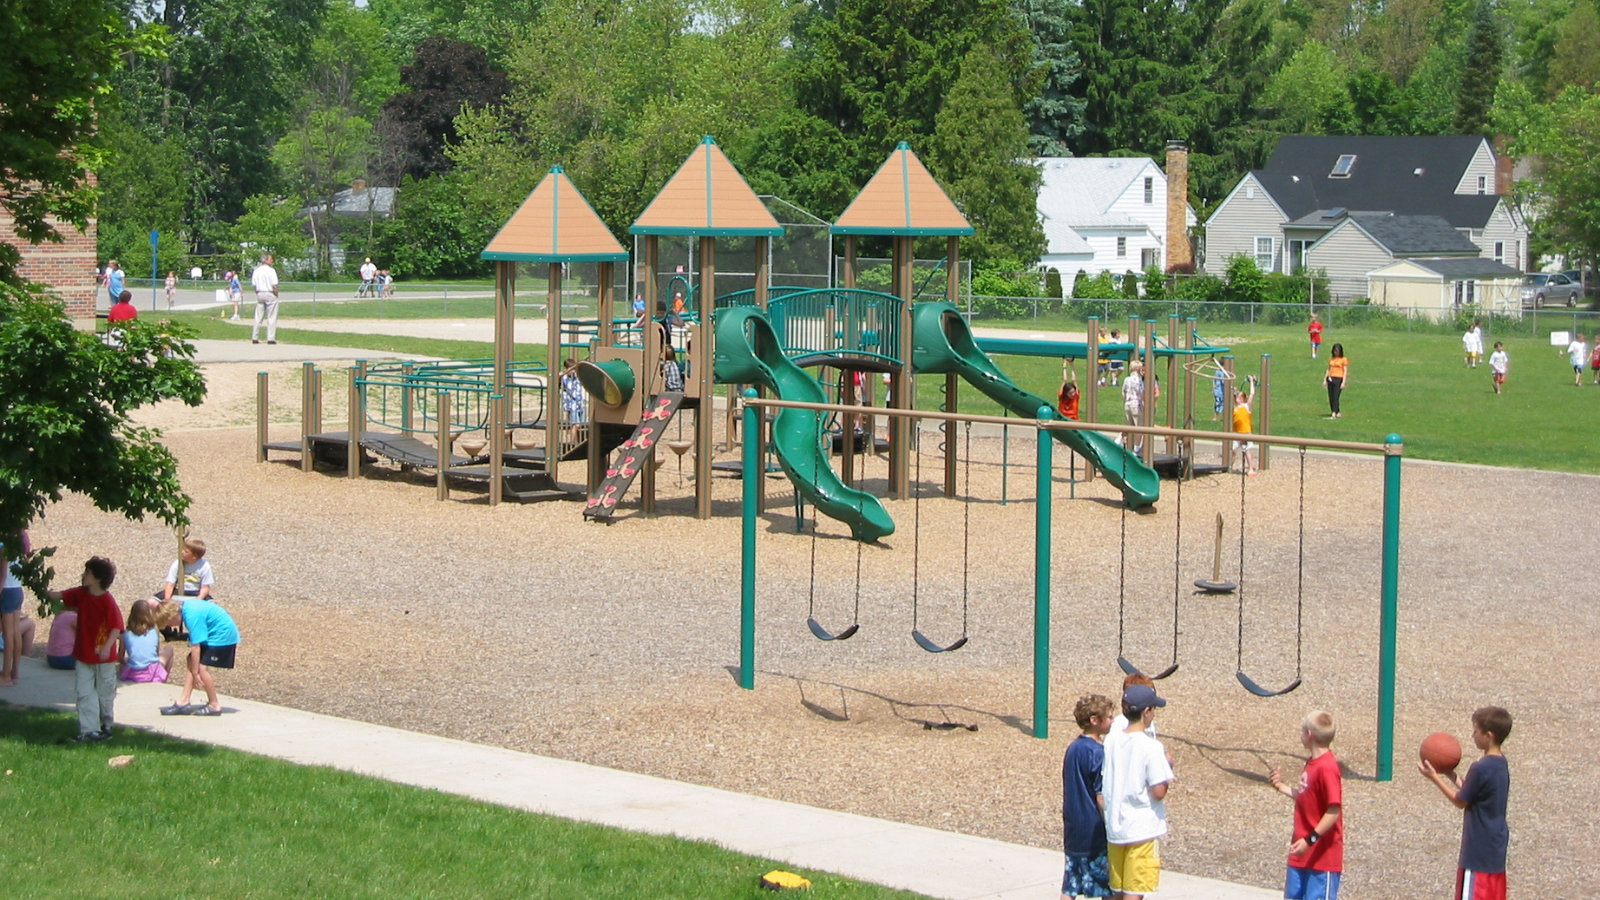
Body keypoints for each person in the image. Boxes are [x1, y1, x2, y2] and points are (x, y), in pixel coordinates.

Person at [1419, 706, 1512, 900]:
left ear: (1489, 735)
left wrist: (1434, 777)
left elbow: (1460, 800)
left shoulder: (1480, 767)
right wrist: (1450, 774)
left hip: (1477, 850)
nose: (1473, 736)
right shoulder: (1500, 763)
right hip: (1495, 846)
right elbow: (1473, 791)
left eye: (1476, 731)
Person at [1101, 684, 1174, 900]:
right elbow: (1159, 791)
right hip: (1141, 829)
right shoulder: (1151, 747)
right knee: (1135, 890)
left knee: (1118, 890)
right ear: (1146, 712)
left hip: (1115, 826)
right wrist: (1168, 767)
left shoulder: (1112, 740)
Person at [1269, 711, 1344, 900]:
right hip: (1300, 853)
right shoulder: (1312, 763)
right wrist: (1281, 786)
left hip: (1321, 857)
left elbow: (1333, 811)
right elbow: (1306, 797)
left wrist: (1309, 840)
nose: (1300, 734)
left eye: (1302, 730)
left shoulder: (1327, 768)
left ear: (1309, 735)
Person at [47, 557, 122, 742]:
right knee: (84, 691)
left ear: (98, 578)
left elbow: (116, 627)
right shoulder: (81, 593)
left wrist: (106, 647)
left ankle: (106, 725)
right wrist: (40, 588)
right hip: (83, 654)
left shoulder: (107, 601)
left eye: (88, 572)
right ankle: (90, 729)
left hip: (104, 657)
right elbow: (60, 595)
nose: (84, 575)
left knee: (105, 692)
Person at [1062, 693, 1115, 900]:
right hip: (1093, 829)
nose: (1112, 721)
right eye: (1109, 717)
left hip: (1073, 827)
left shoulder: (1073, 749)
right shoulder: (1098, 753)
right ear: (1095, 720)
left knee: (1071, 884)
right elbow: (1100, 795)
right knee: (1104, 886)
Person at [154, 596, 239, 717]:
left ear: (172, 616)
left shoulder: (191, 616)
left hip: (222, 636)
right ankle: (183, 701)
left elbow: (195, 647)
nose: (169, 626)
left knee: (201, 669)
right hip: (214, 633)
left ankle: (214, 705)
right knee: (191, 660)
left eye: (168, 623)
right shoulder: (185, 608)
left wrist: (195, 674)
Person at [0, 529, 30, 686]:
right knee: (16, 631)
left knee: (8, 633)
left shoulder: (5, 549)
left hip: (6, 590)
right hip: (17, 589)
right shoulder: (20, 549)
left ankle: (5, 674)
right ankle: (15, 670)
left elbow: (2, 576)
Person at [120, 598, 174, 683]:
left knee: (128, 659)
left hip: (133, 672)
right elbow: (155, 653)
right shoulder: (154, 629)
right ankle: (162, 680)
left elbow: (120, 657)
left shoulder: (125, 633)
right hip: (151, 671)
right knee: (169, 649)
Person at [250, 253, 281, 345]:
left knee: (258, 316)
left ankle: (255, 337)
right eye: (271, 259)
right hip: (269, 293)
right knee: (271, 316)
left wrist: (257, 293)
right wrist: (276, 294)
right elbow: (274, 285)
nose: (272, 260)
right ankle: (270, 338)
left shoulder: (256, 270)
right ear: (266, 260)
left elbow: (254, 285)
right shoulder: (271, 271)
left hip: (260, 293)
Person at [1233, 378, 1257, 475]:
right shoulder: (1234, 408)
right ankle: (1229, 467)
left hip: (1246, 431)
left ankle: (1250, 468)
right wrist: (1234, 390)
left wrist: (1251, 382)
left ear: (1243, 399)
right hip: (1236, 432)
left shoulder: (1246, 406)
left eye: (1239, 398)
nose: (1237, 399)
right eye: (1236, 398)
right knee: (1233, 451)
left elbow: (1252, 394)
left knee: (1247, 450)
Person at [560, 357, 587, 442]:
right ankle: (572, 442)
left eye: (574, 369)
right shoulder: (564, 378)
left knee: (581, 425)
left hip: (579, 403)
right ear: (566, 369)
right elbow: (557, 382)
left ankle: (578, 442)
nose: (572, 371)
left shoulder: (577, 376)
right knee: (575, 424)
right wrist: (559, 376)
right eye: (570, 369)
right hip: (571, 405)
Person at [1122, 362, 1146, 453]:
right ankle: (1136, 448)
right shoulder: (1139, 380)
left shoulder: (1127, 379)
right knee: (1139, 427)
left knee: (1129, 426)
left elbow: (1123, 392)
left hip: (1127, 404)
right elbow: (1141, 392)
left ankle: (1122, 443)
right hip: (1136, 404)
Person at [1325, 343, 1348, 419]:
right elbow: (1328, 369)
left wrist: (1343, 382)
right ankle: (1336, 411)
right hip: (1331, 378)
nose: (1336, 352)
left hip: (1338, 378)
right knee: (1331, 396)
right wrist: (1325, 379)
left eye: (1337, 351)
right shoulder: (1331, 359)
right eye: (1335, 351)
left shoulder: (1343, 360)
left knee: (1336, 396)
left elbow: (1345, 371)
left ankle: (1334, 412)